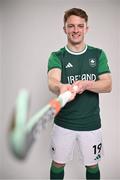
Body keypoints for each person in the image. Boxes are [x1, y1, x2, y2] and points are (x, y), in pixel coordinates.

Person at [47, 8, 112, 180]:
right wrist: (61, 87)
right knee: (57, 164)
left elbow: (108, 85)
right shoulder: (57, 56)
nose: (76, 30)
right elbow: (52, 81)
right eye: (71, 26)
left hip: (91, 124)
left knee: (92, 165)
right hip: (63, 123)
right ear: (65, 29)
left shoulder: (98, 54)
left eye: (80, 26)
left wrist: (87, 84)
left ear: (86, 28)